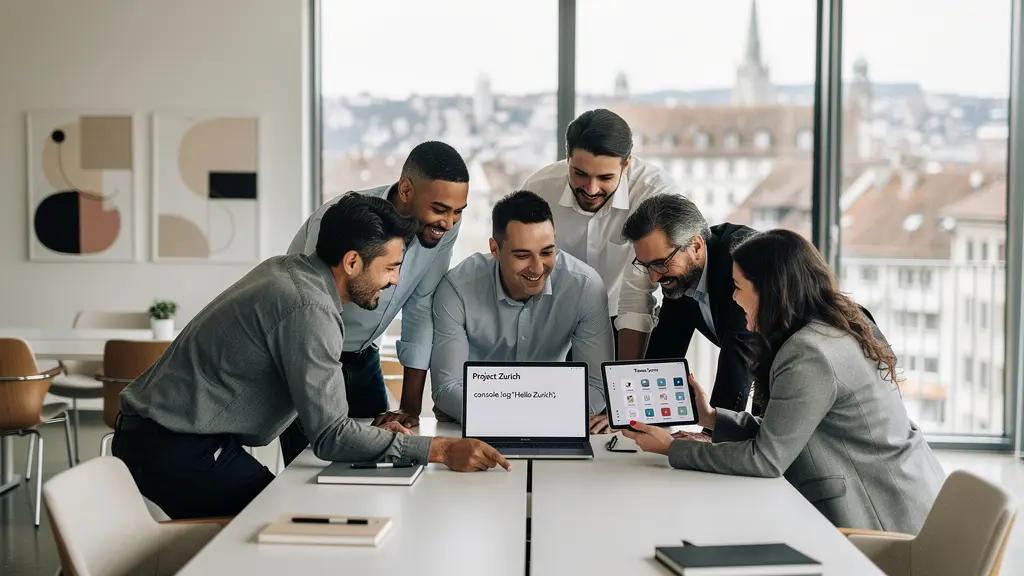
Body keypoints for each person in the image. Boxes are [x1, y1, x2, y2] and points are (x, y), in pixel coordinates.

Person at [113, 194, 509, 520]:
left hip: (168, 435)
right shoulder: (310, 308)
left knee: (286, 513)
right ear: (352, 262)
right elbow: (331, 437)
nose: (394, 281)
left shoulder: (291, 272)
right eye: (390, 267)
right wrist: (441, 450)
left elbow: (323, 414)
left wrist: (375, 436)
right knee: (280, 523)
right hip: (171, 446)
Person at [624, 229, 945, 534]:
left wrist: (672, 448)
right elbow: (785, 430)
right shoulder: (826, 330)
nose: (733, 298)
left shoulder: (808, 353)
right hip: (901, 496)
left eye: (738, 286)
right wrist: (711, 417)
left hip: (883, 517)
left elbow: (765, 459)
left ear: (770, 292)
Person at [281, 141, 469, 463]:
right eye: (439, 209)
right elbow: (314, 303)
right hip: (311, 358)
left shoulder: (443, 227)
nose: (449, 223)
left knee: (380, 463)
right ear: (406, 190)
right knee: (309, 471)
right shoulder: (344, 218)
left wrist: (410, 407)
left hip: (365, 358)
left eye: (458, 211)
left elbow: (421, 305)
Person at [430, 190, 614, 429]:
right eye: (522, 255)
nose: (537, 268)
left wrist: (489, 411)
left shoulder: (585, 287)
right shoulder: (457, 288)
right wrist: (539, 414)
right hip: (485, 428)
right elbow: (447, 389)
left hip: (529, 423)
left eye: (547, 252)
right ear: (495, 249)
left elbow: (597, 386)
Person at [520, 109, 685, 368]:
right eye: (580, 173)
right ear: (567, 157)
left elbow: (637, 293)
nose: (591, 189)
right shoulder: (538, 190)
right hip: (553, 317)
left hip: (623, 317)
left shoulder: (655, 194)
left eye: (605, 177)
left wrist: (624, 378)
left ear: (626, 164)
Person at [622, 194, 757, 419]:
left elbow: (739, 357)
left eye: (660, 263)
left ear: (696, 246)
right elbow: (665, 350)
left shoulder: (741, 261)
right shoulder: (682, 276)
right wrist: (627, 413)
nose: (654, 277)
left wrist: (711, 431)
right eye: (646, 266)